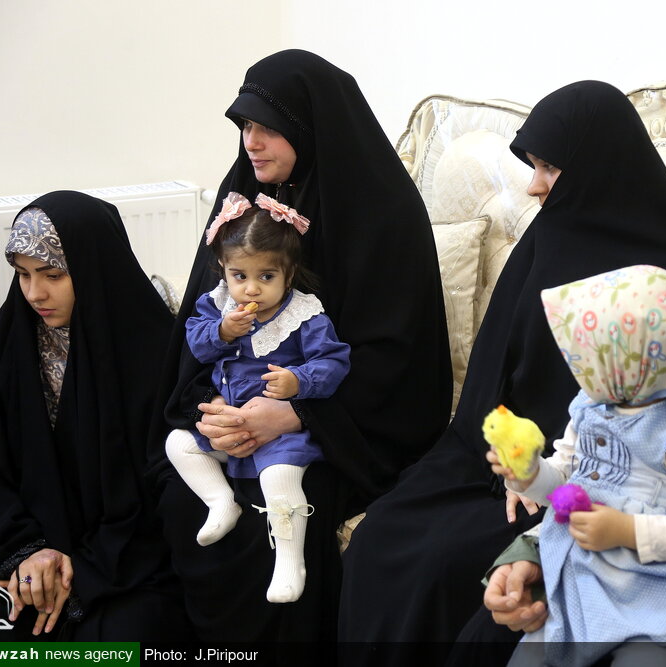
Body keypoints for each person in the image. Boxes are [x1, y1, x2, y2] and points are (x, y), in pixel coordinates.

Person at [338, 81, 666, 658]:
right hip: (506, 461)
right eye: (534, 166)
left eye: (549, 168)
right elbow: (494, 372)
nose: (533, 185)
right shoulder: (546, 239)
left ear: (597, 168)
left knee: (443, 566)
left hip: (599, 486)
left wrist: (551, 478)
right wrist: (507, 459)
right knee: (382, 535)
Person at [149, 50, 451, 642]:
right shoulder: (243, 200)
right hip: (238, 409)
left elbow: (400, 360)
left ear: (310, 126)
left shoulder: (383, 212)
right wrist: (215, 412)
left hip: (345, 427)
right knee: (177, 494)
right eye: (244, 126)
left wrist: (295, 413)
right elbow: (200, 325)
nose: (251, 142)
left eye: (267, 126)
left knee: (277, 517)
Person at [488, 264, 666, 667]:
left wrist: (626, 530)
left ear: (637, 360)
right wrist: (529, 475)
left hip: (653, 594)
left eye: (590, 358)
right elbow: (563, 484)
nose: (579, 370)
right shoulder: (589, 405)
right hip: (573, 583)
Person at [0, 191, 188, 640]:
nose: (35, 293)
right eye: (23, 274)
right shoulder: (6, 351)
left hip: (122, 562)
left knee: (126, 638)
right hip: (24, 551)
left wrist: (79, 570)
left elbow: (159, 489)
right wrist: (26, 552)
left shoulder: (153, 356)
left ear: (92, 268)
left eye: (53, 274)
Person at [165, 192, 350, 604]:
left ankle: (289, 561)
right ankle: (220, 501)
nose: (251, 289)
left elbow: (334, 362)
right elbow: (195, 345)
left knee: (278, 478)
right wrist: (222, 332)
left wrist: (298, 380)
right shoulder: (217, 305)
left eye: (266, 276)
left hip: (279, 435)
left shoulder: (304, 315)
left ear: (289, 273)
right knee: (177, 443)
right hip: (230, 425)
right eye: (239, 275)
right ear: (223, 269)